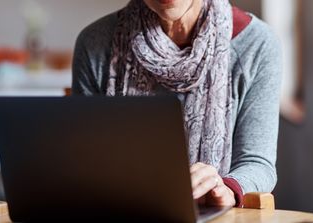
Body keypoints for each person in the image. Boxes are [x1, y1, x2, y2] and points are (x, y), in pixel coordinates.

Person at [72, 0, 282, 208]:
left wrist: (226, 189)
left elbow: (257, 164)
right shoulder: (94, 44)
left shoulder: (257, 44)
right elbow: (86, 163)